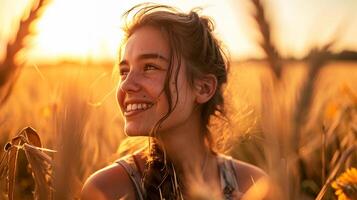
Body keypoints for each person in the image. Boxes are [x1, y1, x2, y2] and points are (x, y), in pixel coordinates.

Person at [81, 3, 266, 200]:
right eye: (124, 71)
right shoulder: (107, 190)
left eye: (150, 67)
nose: (126, 85)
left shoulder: (254, 186)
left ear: (204, 88)